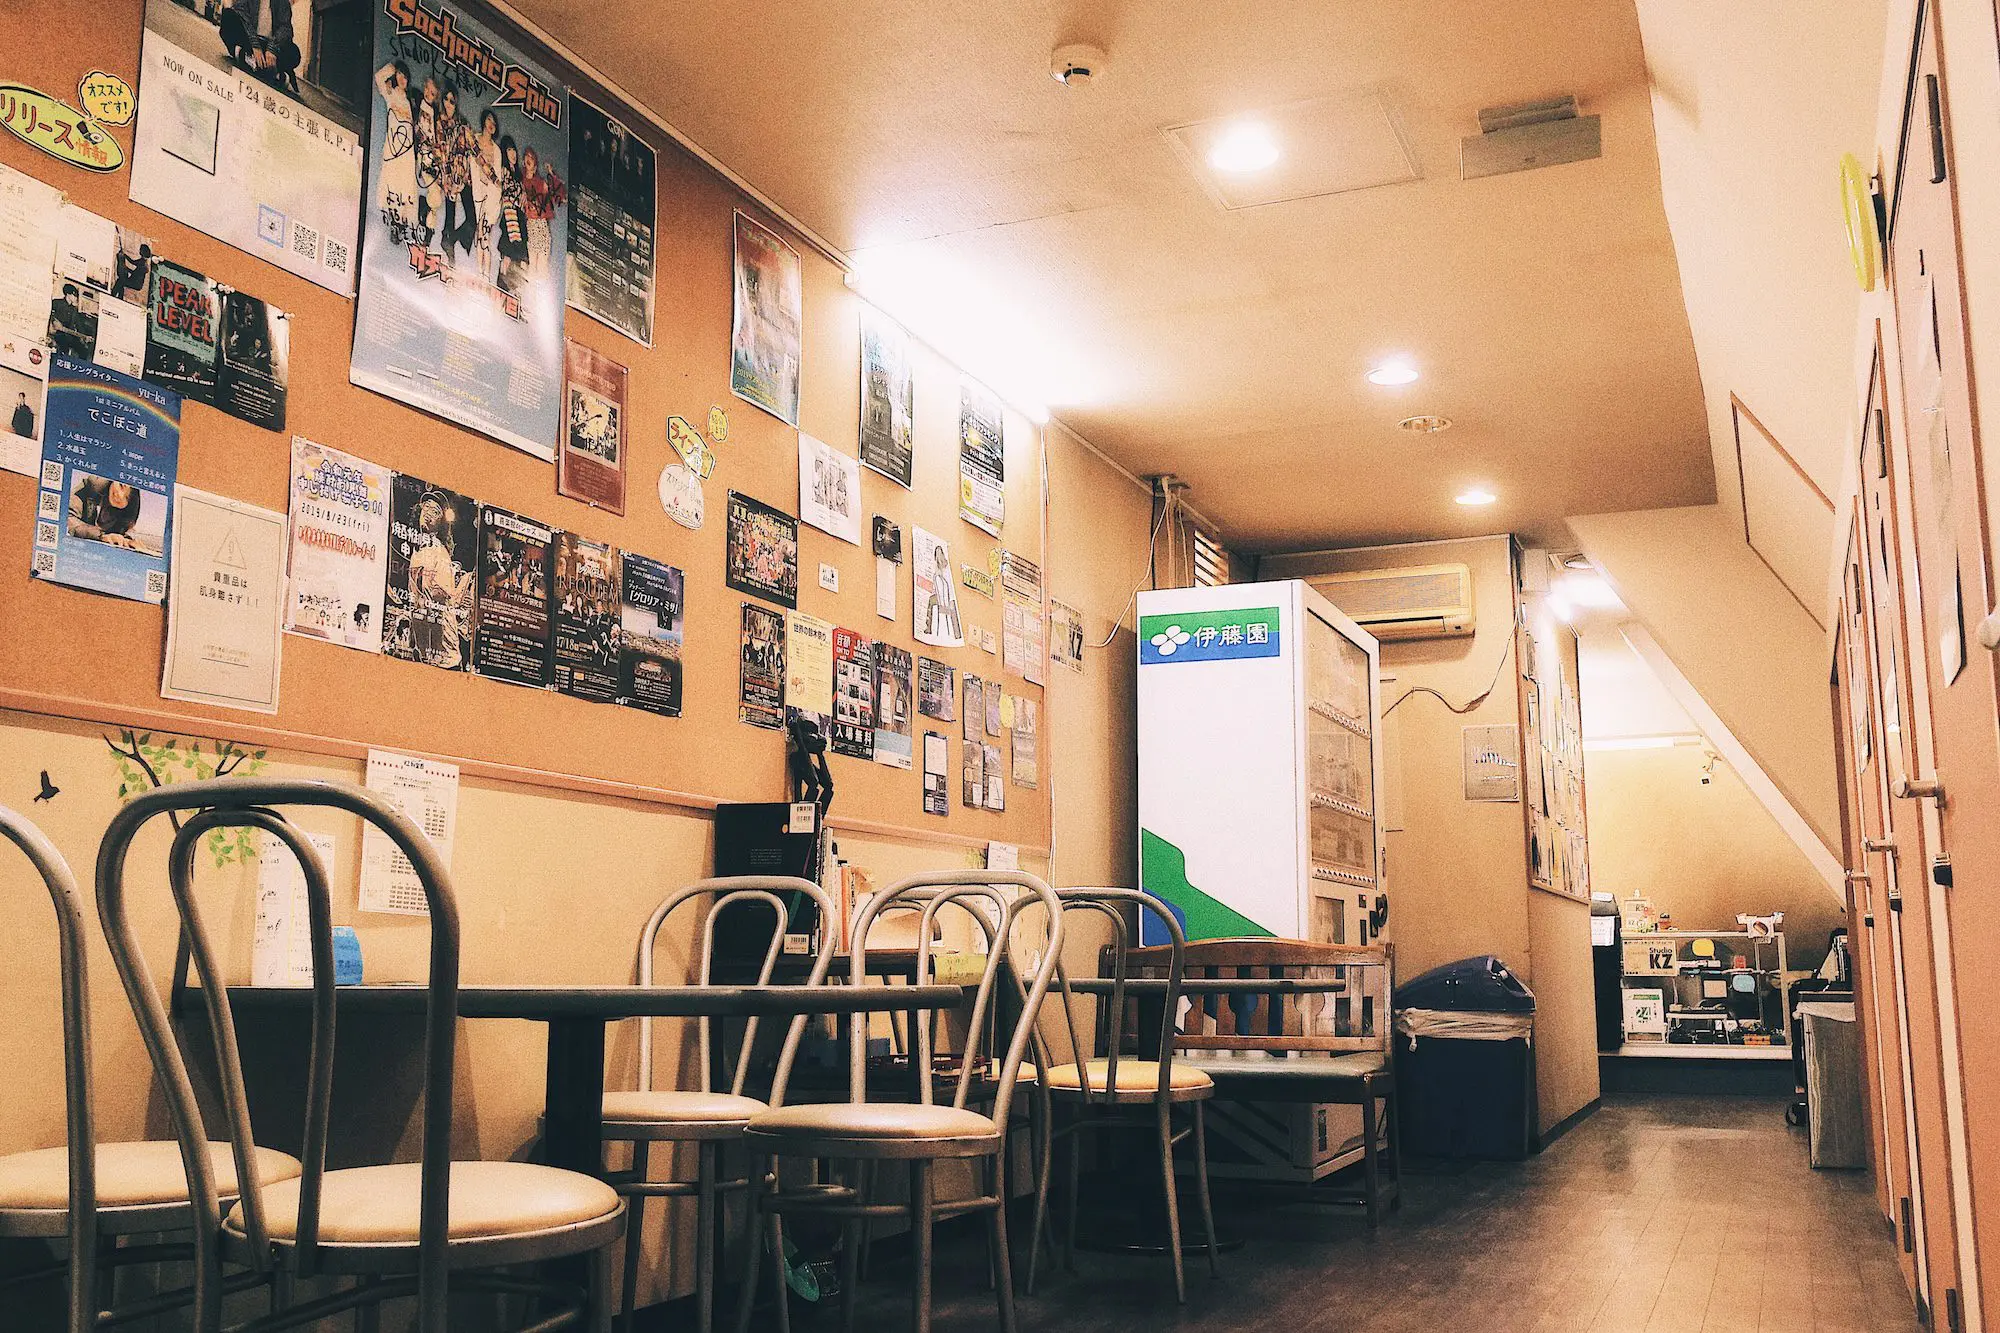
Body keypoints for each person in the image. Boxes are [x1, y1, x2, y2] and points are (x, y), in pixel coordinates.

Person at [374, 61, 418, 238]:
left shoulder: (411, 101)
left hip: (408, 151)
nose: (402, 79)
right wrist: (393, 67)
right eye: (399, 74)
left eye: (405, 76)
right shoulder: (390, 93)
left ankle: (402, 223)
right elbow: (379, 77)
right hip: (393, 147)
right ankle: (393, 222)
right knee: (391, 181)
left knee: (405, 184)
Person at [520, 146, 565, 281]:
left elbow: (560, 196)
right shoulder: (520, 180)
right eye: (526, 156)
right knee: (532, 262)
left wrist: (551, 173)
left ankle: (540, 287)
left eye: (531, 157)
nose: (529, 159)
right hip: (529, 224)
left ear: (535, 165)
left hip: (540, 224)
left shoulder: (541, 183)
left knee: (542, 264)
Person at [68, 476, 142, 547]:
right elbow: (68, 519)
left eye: (127, 497)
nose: (119, 495)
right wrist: (100, 535)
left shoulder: (121, 512)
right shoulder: (88, 487)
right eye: (121, 485)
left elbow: (126, 529)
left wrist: (128, 540)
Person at [48, 284, 93, 359]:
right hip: (56, 334)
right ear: (68, 294)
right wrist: (53, 321)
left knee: (84, 351)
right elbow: (47, 312)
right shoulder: (56, 302)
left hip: (68, 335)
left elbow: (78, 324)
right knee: (63, 348)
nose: (76, 298)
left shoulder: (74, 310)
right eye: (74, 295)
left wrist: (84, 336)